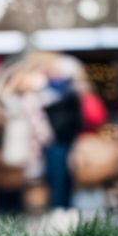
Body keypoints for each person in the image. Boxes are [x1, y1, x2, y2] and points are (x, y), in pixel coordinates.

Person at [42, 61, 84, 211]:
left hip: (62, 138)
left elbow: (78, 118)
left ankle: (61, 205)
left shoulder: (68, 92)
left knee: (62, 174)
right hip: (55, 139)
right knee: (57, 174)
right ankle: (59, 205)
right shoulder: (47, 91)